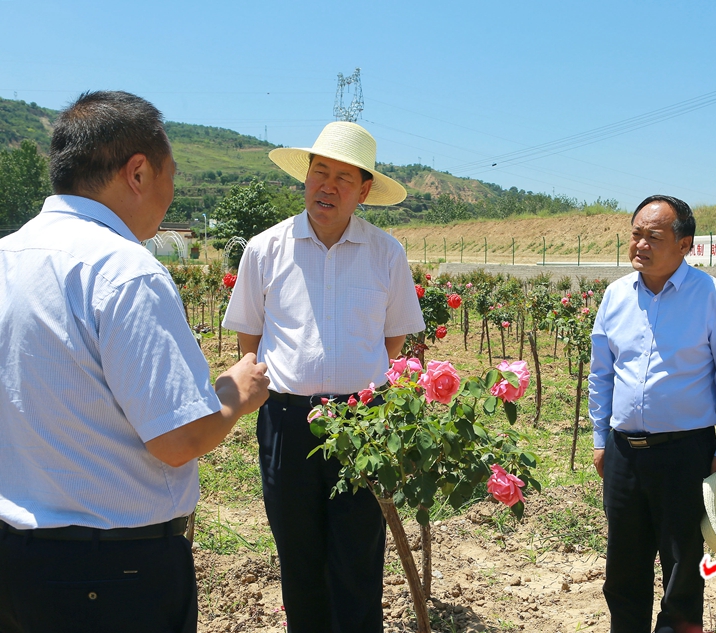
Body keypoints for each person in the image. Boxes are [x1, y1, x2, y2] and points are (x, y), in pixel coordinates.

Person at [0, 90, 270, 633]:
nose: (171, 193)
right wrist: (234, 393)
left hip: (16, 564)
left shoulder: (8, 256)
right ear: (139, 172)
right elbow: (177, 439)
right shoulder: (125, 271)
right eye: (172, 174)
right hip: (112, 575)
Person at [222, 121, 424, 633]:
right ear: (306, 177)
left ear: (364, 191)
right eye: (319, 172)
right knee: (299, 555)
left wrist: (356, 384)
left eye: (342, 178)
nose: (327, 186)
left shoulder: (386, 253)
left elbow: (393, 340)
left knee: (359, 556)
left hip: (363, 424)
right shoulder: (265, 249)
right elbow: (250, 337)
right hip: (288, 422)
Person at [588, 194, 716, 633]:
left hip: (685, 453)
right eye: (636, 234)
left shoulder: (713, 297)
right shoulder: (616, 295)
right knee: (623, 567)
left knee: (682, 567)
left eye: (653, 237)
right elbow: (601, 374)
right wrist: (601, 440)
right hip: (624, 452)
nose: (640, 244)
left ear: (684, 245)